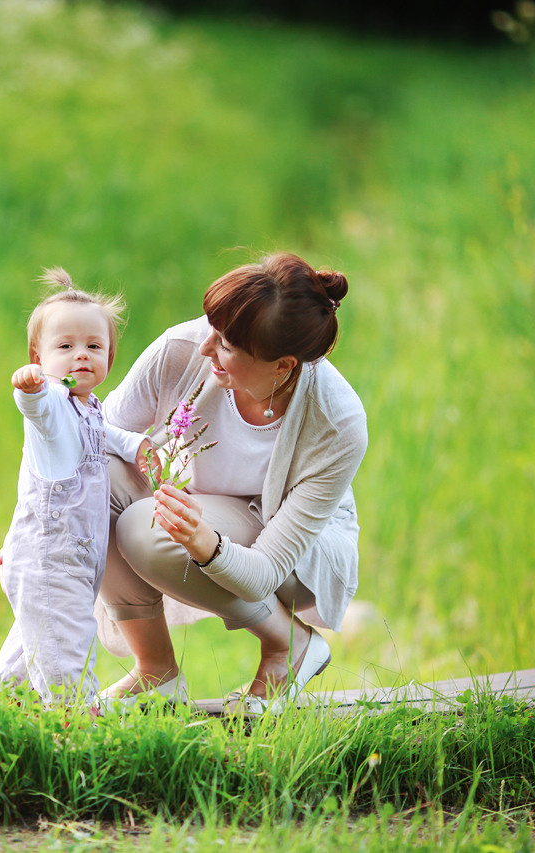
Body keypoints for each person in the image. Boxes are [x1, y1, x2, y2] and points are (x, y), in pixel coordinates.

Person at [96, 252, 366, 714]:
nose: (205, 348)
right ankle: (155, 673)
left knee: (146, 530)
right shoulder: (182, 348)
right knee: (97, 486)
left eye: (224, 345)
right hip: (205, 506)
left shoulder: (337, 422)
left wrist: (206, 544)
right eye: (211, 329)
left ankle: (290, 646)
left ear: (282, 366)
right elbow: (90, 440)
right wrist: (31, 529)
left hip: (294, 552)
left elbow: (266, 569)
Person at [0, 269, 147, 708]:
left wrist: (139, 448)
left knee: (36, 645)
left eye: (94, 346)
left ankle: (3, 715)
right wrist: (31, 389)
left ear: (110, 359)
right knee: (68, 656)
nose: (81, 355)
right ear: (38, 357)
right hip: (51, 562)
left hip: (71, 562)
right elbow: (37, 410)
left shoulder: (90, 409)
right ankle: (80, 733)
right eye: (65, 346)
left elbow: (110, 436)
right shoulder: (56, 403)